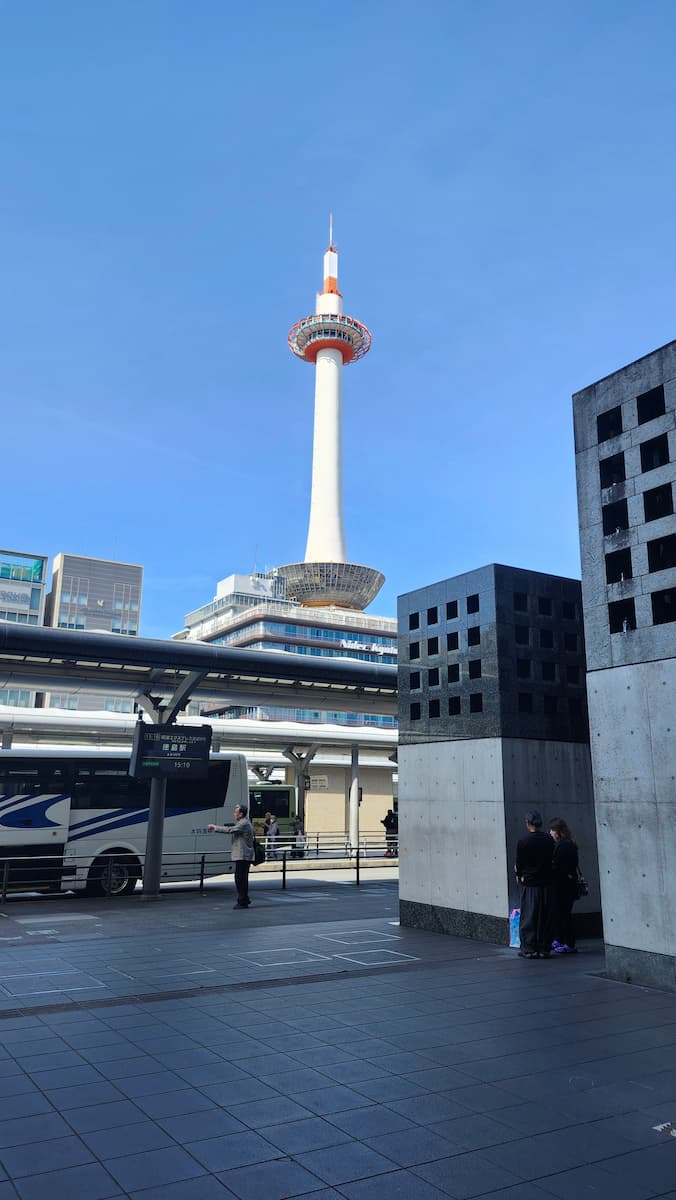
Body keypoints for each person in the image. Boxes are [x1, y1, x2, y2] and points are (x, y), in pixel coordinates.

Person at [515, 809, 555, 958]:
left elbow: (519, 864)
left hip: (531, 883)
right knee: (545, 916)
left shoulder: (523, 841)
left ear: (528, 823)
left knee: (529, 916)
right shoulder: (548, 840)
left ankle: (529, 948)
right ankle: (544, 947)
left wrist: (519, 874)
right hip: (547, 882)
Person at [208, 803, 254, 909]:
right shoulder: (244, 822)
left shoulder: (243, 823)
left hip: (243, 855)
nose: (234, 814)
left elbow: (230, 830)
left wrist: (215, 827)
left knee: (240, 878)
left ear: (241, 813)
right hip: (244, 855)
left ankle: (242, 901)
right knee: (242, 878)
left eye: (236, 812)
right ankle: (244, 899)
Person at [548, 817, 579, 954]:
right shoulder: (570, 845)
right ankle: (562, 940)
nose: (550, 833)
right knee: (563, 915)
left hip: (563, 887)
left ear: (558, 831)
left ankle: (567, 942)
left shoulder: (563, 847)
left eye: (552, 830)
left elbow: (558, 868)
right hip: (568, 886)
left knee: (563, 915)